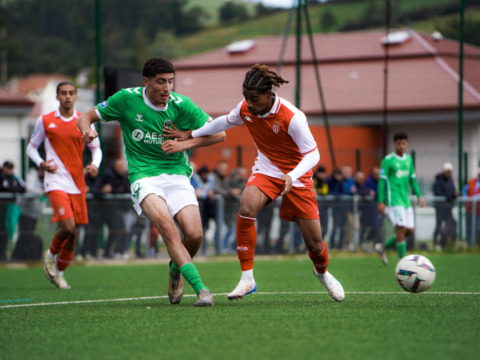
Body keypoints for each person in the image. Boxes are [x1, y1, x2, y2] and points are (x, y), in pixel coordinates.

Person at [165, 64, 344, 302]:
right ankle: (247, 278)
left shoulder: (293, 117)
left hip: (297, 176)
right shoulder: (245, 109)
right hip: (267, 170)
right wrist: (192, 134)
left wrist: (292, 175)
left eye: (254, 98)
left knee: (315, 244)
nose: (249, 104)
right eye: (246, 98)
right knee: (247, 205)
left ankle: (322, 273)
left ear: (269, 95)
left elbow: (313, 155)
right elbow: (222, 122)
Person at [77, 57, 225, 306]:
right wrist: (86, 130)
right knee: (167, 228)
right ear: (146, 82)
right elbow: (86, 117)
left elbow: (219, 134)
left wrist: (185, 141)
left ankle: (175, 268)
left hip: (177, 174)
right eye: (161, 82)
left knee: (195, 235)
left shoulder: (182, 105)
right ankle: (201, 289)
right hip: (144, 177)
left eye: (171, 81)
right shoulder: (125, 99)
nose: (167, 88)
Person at [26, 81, 102, 288]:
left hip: (77, 183)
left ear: (76, 97)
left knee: (74, 233)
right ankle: (49, 254)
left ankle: (59, 272)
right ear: (57, 97)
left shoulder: (84, 121)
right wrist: (41, 163)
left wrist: (94, 165)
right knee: (67, 226)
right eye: (63, 93)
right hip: (55, 181)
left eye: (71, 93)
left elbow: (97, 149)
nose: (68, 96)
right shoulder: (45, 120)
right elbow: (31, 148)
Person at [375, 132, 425, 264]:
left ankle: (382, 247)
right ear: (394, 144)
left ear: (406, 144)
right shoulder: (388, 160)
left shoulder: (409, 160)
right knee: (401, 228)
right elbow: (381, 182)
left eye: (403, 143)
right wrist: (381, 201)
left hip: (406, 201)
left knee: (409, 230)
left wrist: (419, 196)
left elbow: (413, 180)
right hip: (393, 201)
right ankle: (402, 263)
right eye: (399, 143)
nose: (401, 146)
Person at [0, 161, 26, 261]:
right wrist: (14, 189)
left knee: (6, 230)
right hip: (2, 208)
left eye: (11, 168)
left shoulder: (15, 177)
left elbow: (22, 188)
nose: (10, 170)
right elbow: (6, 188)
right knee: (2, 230)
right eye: (8, 168)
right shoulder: (2, 177)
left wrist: (13, 189)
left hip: (10, 208)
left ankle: (3, 253)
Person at [432, 162, 458, 250]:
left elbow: (452, 191)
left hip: (448, 208)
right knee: (438, 225)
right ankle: (435, 243)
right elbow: (438, 193)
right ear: (443, 171)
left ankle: (447, 243)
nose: (449, 173)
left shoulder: (451, 180)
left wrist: (454, 194)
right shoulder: (438, 180)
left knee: (452, 224)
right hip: (440, 207)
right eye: (447, 171)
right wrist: (450, 195)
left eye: (450, 172)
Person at [462, 167, 480, 248]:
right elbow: (465, 191)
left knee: (477, 228)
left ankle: (477, 244)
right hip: (470, 210)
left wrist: (476, 198)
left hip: (478, 211)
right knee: (469, 227)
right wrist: (467, 199)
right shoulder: (471, 182)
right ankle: (469, 245)